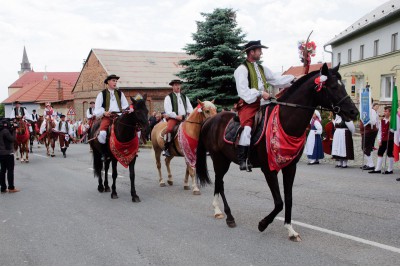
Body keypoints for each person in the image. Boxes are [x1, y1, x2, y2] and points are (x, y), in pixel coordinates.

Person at [234, 40, 294, 171]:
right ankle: (243, 159)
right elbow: (243, 92)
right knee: (247, 129)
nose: (261, 53)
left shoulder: (261, 68)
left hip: (264, 102)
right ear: (251, 52)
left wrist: (293, 79)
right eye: (259, 50)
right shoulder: (241, 69)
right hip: (249, 104)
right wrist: (260, 93)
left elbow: (276, 80)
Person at [94, 74, 129, 161]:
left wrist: (125, 111)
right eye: (113, 80)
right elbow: (97, 109)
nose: (115, 82)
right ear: (108, 82)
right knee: (102, 133)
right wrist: (104, 112)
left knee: (131, 129)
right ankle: (103, 152)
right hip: (108, 116)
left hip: (119, 116)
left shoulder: (120, 94)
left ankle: (127, 150)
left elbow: (125, 106)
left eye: (116, 81)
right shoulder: (102, 94)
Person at [163, 79, 193, 157]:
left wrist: (189, 114)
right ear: (172, 86)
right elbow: (168, 111)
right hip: (174, 118)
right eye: (176, 85)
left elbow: (190, 108)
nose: (178, 86)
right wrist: (176, 116)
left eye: (179, 85)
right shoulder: (168, 97)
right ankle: (167, 148)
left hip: (184, 118)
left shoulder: (184, 97)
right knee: (169, 129)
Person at [369, 106, 394, 174]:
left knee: (390, 153)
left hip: (390, 140)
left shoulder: (392, 121)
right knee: (380, 153)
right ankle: (378, 168)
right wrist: (379, 139)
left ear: (390, 113)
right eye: (384, 111)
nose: (384, 112)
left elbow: (394, 131)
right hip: (383, 140)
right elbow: (380, 131)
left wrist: (391, 128)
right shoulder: (382, 120)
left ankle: (390, 169)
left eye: (386, 111)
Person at [0, 118, 19, 193]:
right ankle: (11, 187)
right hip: (8, 153)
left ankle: (3, 188)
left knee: (2, 171)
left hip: (1, 154)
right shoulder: (5, 131)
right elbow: (13, 139)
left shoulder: (2, 130)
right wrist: (14, 130)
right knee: (10, 171)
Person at [360, 102, 379, 170]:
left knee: (366, 147)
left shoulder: (372, 111)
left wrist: (366, 121)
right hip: (365, 131)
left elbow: (373, 122)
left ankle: (371, 165)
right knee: (366, 147)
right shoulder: (364, 109)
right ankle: (369, 163)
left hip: (369, 131)